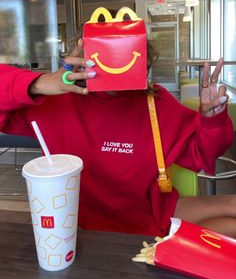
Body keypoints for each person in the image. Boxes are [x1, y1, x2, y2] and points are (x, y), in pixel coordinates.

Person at [0, 40, 235, 238]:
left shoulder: (156, 102)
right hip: (84, 229)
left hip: (153, 213)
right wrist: (41, 82)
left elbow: (201, 153)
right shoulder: (57, 102)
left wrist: (211, 119)